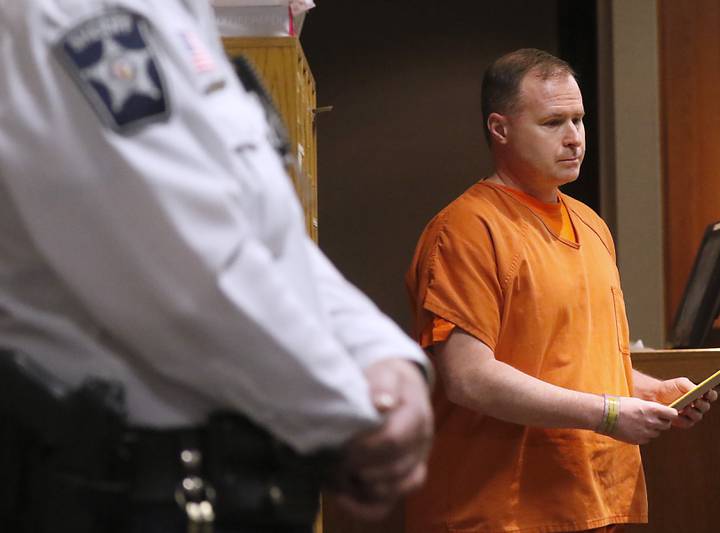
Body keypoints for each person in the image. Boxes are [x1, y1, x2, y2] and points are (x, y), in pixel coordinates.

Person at [0, 1, 432, 532]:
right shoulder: (68, 10)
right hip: (126, 490)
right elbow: (184, 276)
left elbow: (270, 236)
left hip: (224, 480)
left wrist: (380, 358)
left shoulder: (178, 13)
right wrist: (352, 415)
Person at [404, 48, 717, 533]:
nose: (574, 138)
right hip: (499, 512)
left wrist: (655, 395)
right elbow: (468, 378)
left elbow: (573, 362)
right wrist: (608, 413)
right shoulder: (466, 229)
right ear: (500, 128)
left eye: (578, 120)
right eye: (553, 123)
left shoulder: (591, 225)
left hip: (591, 502)